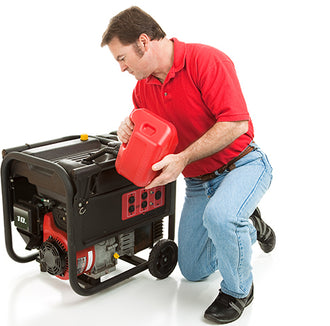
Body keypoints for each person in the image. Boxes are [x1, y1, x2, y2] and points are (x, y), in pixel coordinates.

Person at [101, 6, 276, 324]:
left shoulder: (206, 60)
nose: (122, 68)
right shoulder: (142, 90)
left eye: (122, 58)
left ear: (143, 42)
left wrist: (182, 158)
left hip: (243, 165)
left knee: (219, 217)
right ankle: (248, 226)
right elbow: (152, 140)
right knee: (193, 270)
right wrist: (126, 131)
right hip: (199, 182)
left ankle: (239, 291)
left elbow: (235, 124)